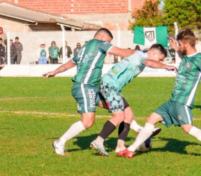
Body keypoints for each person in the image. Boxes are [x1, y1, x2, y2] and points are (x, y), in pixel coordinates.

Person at [118, 29, 201, 160]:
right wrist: (176, 48)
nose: (179, 47)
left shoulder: (200, 60)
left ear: (186, 44)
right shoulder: (186, 57)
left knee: (188, 129)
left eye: (180, 44)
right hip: (172, 101)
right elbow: (184, 58)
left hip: (183, 102)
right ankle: (130, 150)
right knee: (150, 119)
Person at [43, 28, 135, 156]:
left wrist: (55, 71)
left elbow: (69, 63)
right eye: (108, 41)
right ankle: (60, 142)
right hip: (84, 87)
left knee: (119, 109)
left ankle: (135, 135)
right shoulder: (100, 44)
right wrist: (142, 53)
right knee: (88, 121)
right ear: (103, 38)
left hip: (91, 88)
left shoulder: (84, 48)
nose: (108, 46)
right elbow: (123, 52)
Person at [90, 44, 177, 156]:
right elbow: (150, 63)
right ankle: (99, 141)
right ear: (154, 53)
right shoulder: (141, 57)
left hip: (111, 86)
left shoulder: (138, 54)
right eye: (159, 59)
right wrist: (166, 66)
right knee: (119, 116)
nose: (159, 61)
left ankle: (120, 146)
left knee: (129, 116)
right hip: (109, 86)